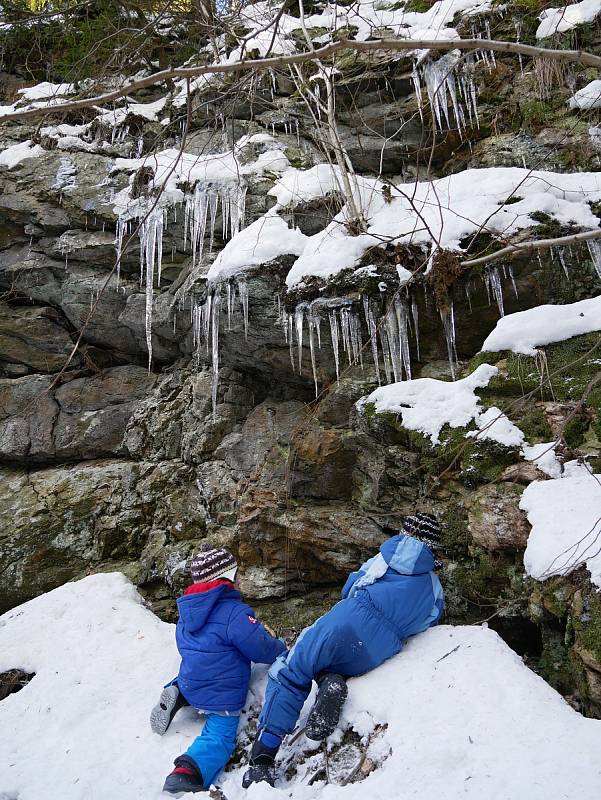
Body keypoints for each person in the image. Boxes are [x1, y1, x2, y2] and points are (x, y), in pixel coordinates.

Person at [242, 512, 445, 788]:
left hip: (348, 619)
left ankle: (262, 758)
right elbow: (427, 621)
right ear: (433, 546)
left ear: (404, 533)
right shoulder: (434, 588)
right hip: (378, 648)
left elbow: (351, 587)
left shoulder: (384, 558)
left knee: (292, 670)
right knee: (335, 661)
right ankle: (331, 681)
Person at [150, 546, 286, 795]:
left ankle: (178, 691)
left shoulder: (187, 613)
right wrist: (280, 647)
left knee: (201, 664)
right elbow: (260, 648)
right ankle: (187, 772)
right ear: (228, 577)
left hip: (192, 680)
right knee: (220, 734)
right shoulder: (234, 613)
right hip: (220, 694)